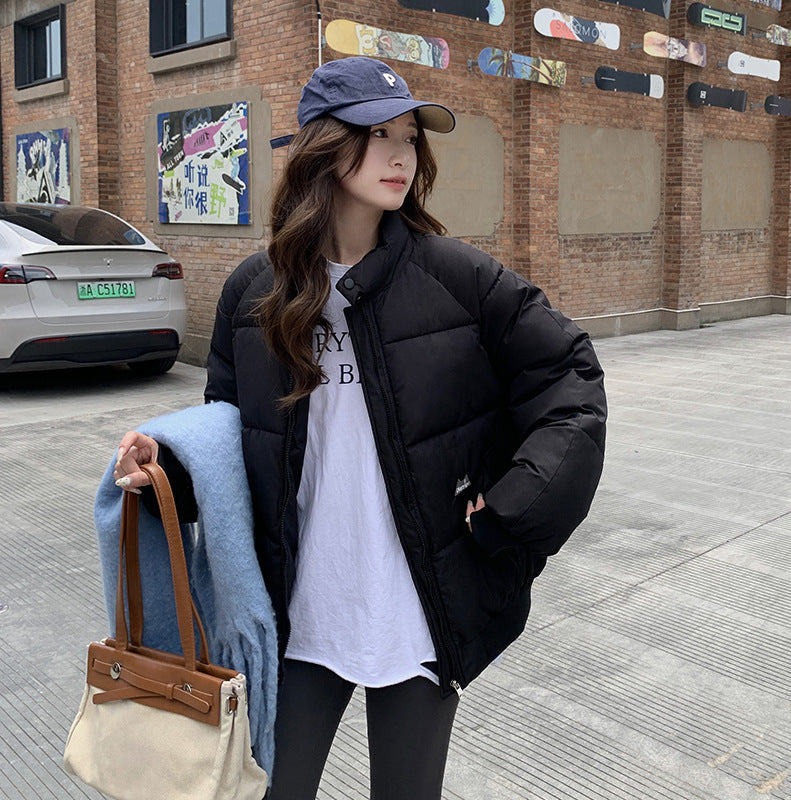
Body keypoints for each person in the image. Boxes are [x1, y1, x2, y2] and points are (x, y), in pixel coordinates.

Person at [114, 57, 607, 800]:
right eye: (379, 135)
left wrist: (514, 506)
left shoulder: (457, 279)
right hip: (300, 611)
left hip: (417, 612)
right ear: (324, 145)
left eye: (409, 135)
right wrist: (168, 468)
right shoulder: (255, 292)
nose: (401, 154)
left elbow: (570, 377)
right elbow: (231, 438)